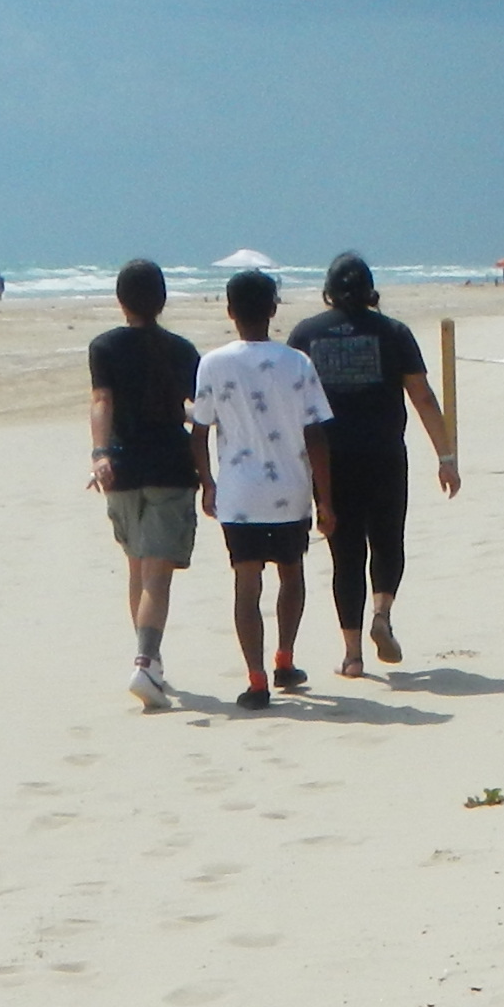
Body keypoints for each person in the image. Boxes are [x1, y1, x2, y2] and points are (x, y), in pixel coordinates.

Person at [287, 251, 459, 675]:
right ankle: (381, 615)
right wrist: (446, 456)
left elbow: (288, 401)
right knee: (386, 540)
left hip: (329, 459)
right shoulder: (393, 332)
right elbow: (422, 396)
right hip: (384, 453)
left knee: (344, 554)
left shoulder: (307, 335)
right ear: (370, 290)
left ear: (329, 290)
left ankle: (352, 655)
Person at [189, 268, 337, 712]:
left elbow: (198, 432)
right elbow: (316, 435)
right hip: (290, 488)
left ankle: (255, 680)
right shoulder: (297, 362)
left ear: (230, 310)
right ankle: (285, 659)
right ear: (274, 309)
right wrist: (324, 497)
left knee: (246, 582)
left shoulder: (213, 362)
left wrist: (208, 482)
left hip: (239, 492)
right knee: (291, 573)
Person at [85, 257, 205, 711]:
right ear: (162, 299)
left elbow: (102, 402)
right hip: (170, 467)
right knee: (157, 573)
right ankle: (146, 659)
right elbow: (199, 407)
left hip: (122, 468)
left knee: (137, 566)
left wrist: (99, 454)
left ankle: (149, 661)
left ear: (121, 301)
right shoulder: (181, 349)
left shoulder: (105, 347)